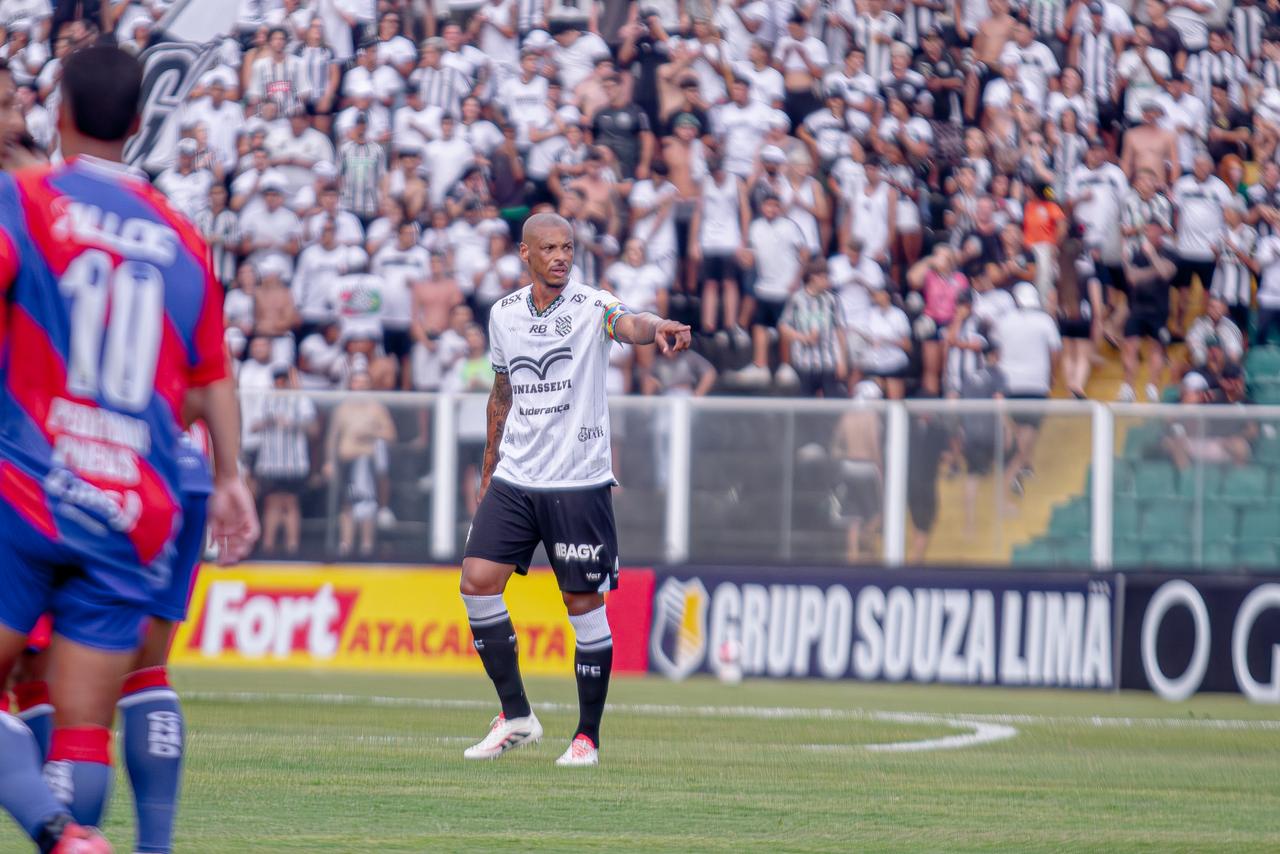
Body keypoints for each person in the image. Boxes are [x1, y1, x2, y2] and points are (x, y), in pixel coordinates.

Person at [0, 44, 258, 853]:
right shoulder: (182, 236)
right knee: (84, 729)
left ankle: (53, 831)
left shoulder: (30, 198)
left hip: (32, 482)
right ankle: (112, 839)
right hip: (132, 500)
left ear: (58, 115)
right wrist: (230, 477)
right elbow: (212, 371)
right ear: (142, 123)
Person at [459, 212, 690, 768]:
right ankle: (516, 716)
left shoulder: (591, 305)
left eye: (567, 247)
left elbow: (627, 323)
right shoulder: (504, 315)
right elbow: (501, 392)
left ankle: (586, 737)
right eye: (549, 249)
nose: (561, 257)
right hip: (516, 477)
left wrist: (655, 324)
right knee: (476, 582)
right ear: (526, 253)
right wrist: (489, 468)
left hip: (578, 481)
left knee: (581, 605)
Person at [994, 283, 1061, 500]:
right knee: (1030, 427)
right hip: (1036, 382)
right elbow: (1055, 352)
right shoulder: (1045, 321)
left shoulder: (1004, 322)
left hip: (1009, 381)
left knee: (1014, 425)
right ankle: (1020, 464)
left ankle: (1020, 463)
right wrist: (1052, 375)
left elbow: (997, 351)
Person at [1121, 220, 1178, 402]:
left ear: (1161, 232)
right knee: (1130, 346)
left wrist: (1152, 257)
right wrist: (1153, 270)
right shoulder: (1137, 253)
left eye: (1154, 230)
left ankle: (1152, 385)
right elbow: (1132, 278)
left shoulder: (1169, 252)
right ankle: (1128, 387)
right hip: (1138, 306)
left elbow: (1165, 273)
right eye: (1148, 230)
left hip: (1158, 308)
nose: (1150, 234)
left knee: (1157, 348)